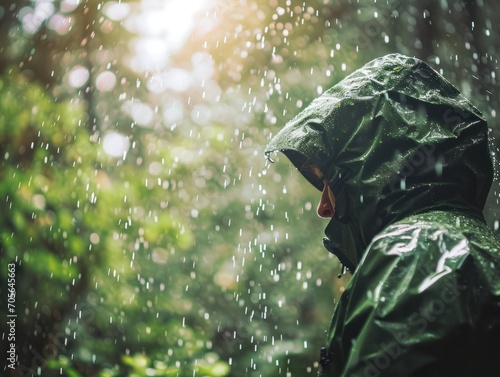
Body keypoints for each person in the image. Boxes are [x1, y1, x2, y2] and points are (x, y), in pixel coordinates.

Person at [265, 53, 500, 376]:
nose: (323, 207)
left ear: (378, 168)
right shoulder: (471, 245)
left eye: (330, 180)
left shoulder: (417, 252)